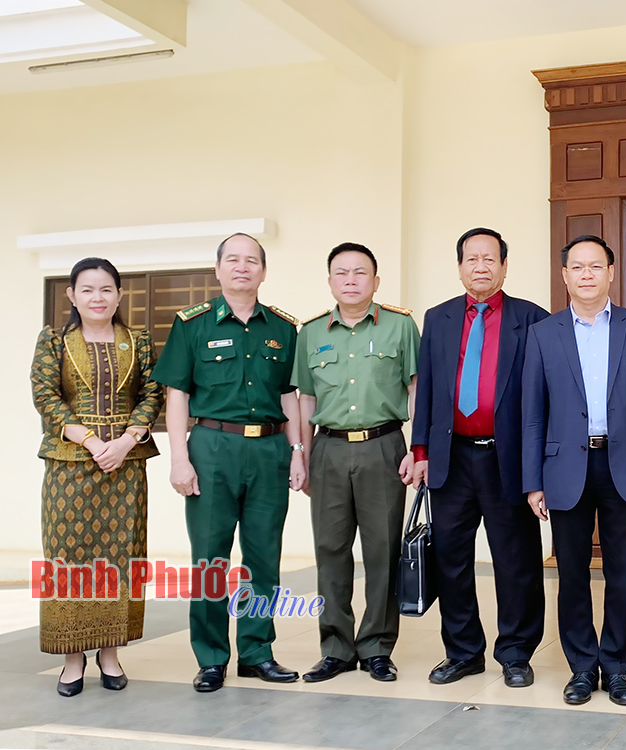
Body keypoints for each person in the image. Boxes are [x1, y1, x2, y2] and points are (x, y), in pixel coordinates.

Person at [522, 234, 626, 707]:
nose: (587, 275)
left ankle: (617, 666)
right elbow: (532, 413)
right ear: (564, 276)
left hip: (624, 464)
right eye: (577, 267)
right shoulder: (543, 333)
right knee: (571, 573)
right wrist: (532, 481)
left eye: (596, 266)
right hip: (565, 467)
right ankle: (582, 667)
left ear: (611, 272)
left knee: (623, 573)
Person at [154, 233, 306, 693]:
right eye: (233, 260)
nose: (243, 267)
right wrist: (179, 458)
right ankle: (212, 657)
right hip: (212, 447)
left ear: (263, 271)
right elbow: (176, 394)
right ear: (218, 269)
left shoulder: (283, 328)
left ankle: (258, 653)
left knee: (264, 558)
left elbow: (290, 395)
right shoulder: (193, 324)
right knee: (210, 558)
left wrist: (299, 453)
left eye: (252, 261)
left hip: (269, 450)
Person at [401, 227, 548, 688]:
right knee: (451, 560)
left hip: (508, 460)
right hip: (450, 458)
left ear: (504, 266)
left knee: (516, 560)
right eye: (471, 258)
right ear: (460, 265)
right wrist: (420, 449)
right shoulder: (438, 318)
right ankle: (464, 652)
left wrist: (538, 465)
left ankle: (516, 652)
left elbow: (543, 397)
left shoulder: (533, 320)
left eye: (489, 258)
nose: (480, 266)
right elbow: (426, 389)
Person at [31, 257, 164, 697]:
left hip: (126, 464)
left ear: (119, 295)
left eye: (106, 289)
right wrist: (90, 441)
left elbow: (151, 392)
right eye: (87, 289)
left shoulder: (138, 340)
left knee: (121, 554)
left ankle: (110, 652)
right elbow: (45, 396)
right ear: (71, 295)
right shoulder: (53, 342)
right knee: (69, 554)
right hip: (70, 463)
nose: (97, 297)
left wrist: (126, 441)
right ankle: (73, 657)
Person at [293, 242, 419, 683]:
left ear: (376, 281)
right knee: (330, 550)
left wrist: (419, 451)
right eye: (341, 273)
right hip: (327, 448)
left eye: (360, 273)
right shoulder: (309, 333)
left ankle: (377, 647)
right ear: (330, 281)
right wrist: (301, 454)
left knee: (382, 550)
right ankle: (336, 648)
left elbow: (416, 388)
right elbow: (304, 397)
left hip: (383, 446)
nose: (350, 280)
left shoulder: (400, 326)